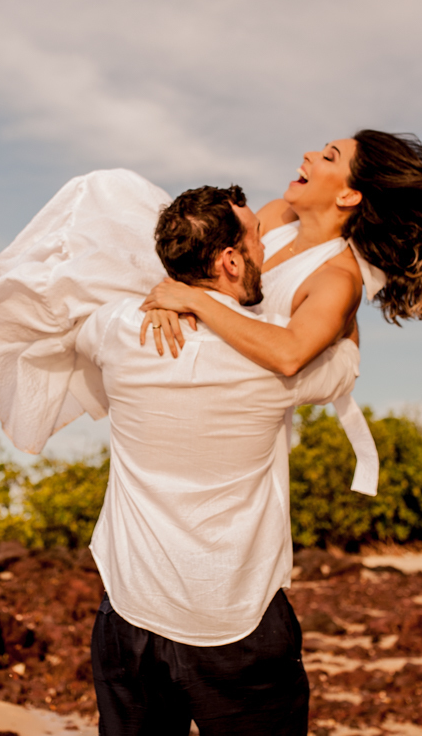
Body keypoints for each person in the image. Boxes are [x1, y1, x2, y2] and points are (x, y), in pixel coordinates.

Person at [0, 131, 422, 477]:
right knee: (112, 197)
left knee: (103, 298)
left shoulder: (337, 281)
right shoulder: (283, 213)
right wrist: (173, 295)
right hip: (208, 302)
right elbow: (224, 256)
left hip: (232, 372)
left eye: (329, 158)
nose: (310, 155)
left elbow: (288, 355)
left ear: (351, 195)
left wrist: (191, 306)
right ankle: (0, 286)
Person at [74, 185, 359, 734]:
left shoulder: (115, 327)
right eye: (256, 238)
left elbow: (64, 316)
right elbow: (345, 359)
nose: (268, 252)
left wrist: (162, 298)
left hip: (129, 616)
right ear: (230, 260)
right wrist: (341, 278)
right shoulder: (280, 364)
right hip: (239, 624)